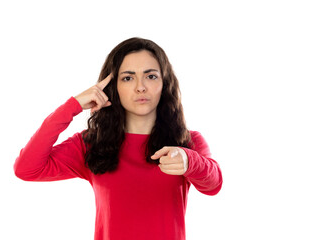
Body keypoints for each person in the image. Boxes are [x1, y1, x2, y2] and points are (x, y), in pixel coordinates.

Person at [14, 37, 223, 240]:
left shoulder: (187, 141)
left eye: (151, 76)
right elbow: (26, 168)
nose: (140, 87)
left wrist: (189, 161)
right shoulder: (91, 144)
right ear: (113, 87)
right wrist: (72, 106)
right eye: (128, 78)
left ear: (165, 83)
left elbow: (214, 185)